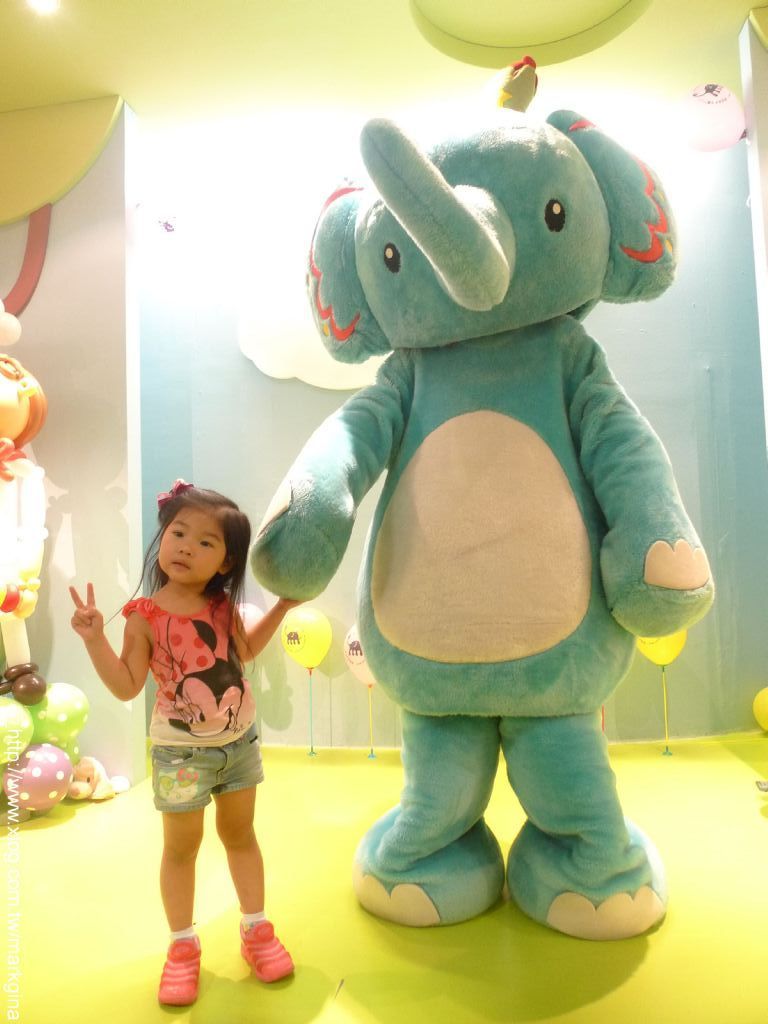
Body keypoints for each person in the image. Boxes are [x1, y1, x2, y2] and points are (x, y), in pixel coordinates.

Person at [69, 480, 300, 1006]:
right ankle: (182, 946)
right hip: (179, 754)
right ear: (163, 536)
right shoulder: (143, 616)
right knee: (181, 849)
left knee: (240, 835)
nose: (185, 547)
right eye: (178, 533)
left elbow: (245, 652)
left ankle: (256, 929)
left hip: (239, 744)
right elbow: (127, 685)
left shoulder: (221, 606)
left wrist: (282, 608)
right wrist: (94, 639)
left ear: (226, 562)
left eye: (205, 541)